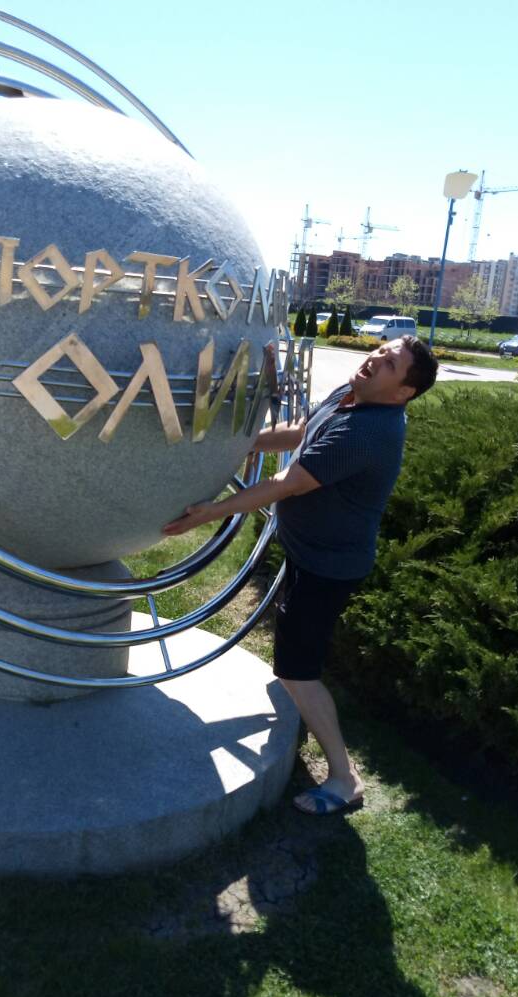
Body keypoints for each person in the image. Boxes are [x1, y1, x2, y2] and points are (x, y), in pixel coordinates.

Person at [162, 335, 438, 814]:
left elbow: (288, 483)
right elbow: (302, 431)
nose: (375, 358)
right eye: (381, 350)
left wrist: (211, 511)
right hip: (310, 553)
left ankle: (344, 778)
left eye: (390, 363)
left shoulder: (369, 431)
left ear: (403, 392)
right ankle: (301, 701)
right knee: (295, 651)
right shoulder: (353, 392)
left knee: (296, 669)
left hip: (327, 568)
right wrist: (240, 443)